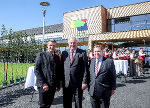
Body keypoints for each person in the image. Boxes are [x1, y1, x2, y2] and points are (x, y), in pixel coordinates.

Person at [61, 37, 88, 108]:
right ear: (68, 44)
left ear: (77, 43)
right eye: (71, 43)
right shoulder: (64, 53)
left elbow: (85, 68)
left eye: (74, 43)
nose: (72, 44)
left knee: (78, 102)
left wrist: (84, 82)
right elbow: (61, 68)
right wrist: (60, 82)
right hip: (66, 82)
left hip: (78, 83)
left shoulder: (82, 52)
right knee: (66, 102)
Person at [34, 39, 61, 108]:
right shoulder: (41, 55)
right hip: (44, 85)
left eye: (54, 46)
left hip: (53, 85)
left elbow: (58, 72)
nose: (52, 47)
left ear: (55, 47)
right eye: (50, 45)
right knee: (43, 105)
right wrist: (43, 83)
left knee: (49, 104)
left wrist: (58, 85)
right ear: (47, 46)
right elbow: (37, 70)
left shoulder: (57, 57)